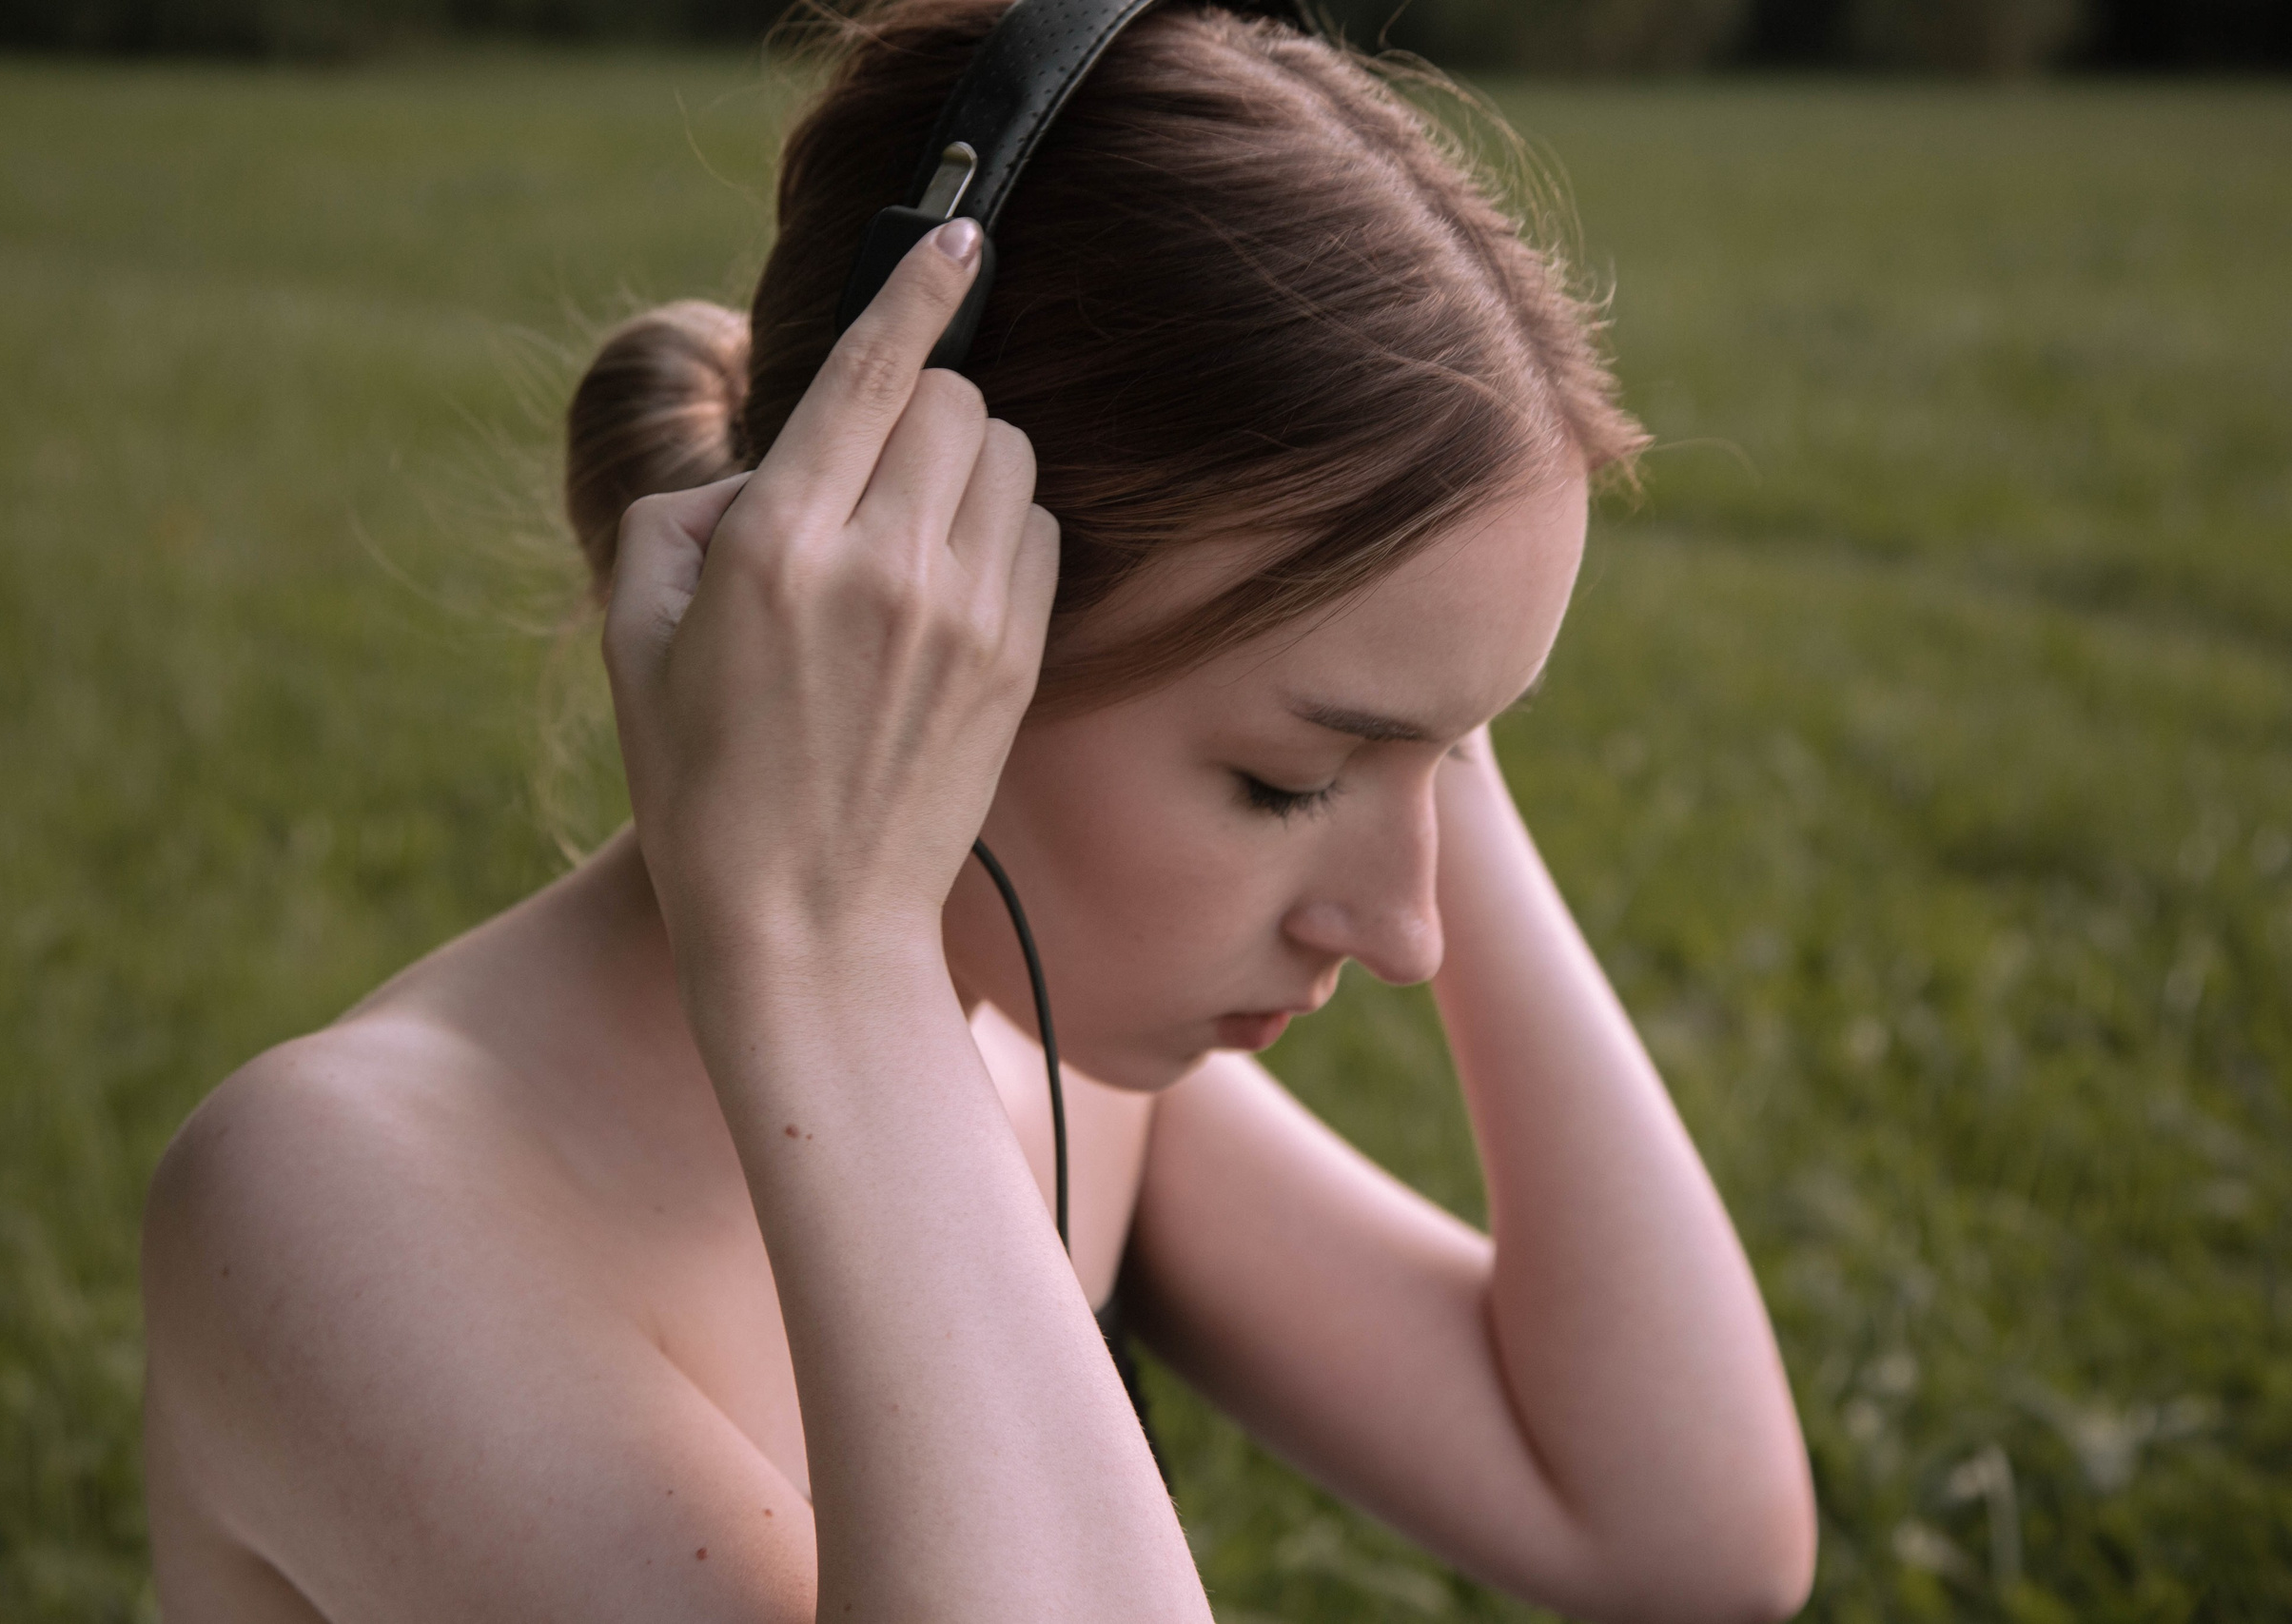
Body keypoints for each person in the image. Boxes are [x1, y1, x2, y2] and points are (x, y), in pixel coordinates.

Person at [139, 0, 1817, 1617]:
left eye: (1445, 762)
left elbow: (1682, 1535)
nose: (1406, 932)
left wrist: (1432, 692)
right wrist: (828, 956)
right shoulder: (341, 1204)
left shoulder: (1039, 1062)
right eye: (1288, 778)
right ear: (911, 613)